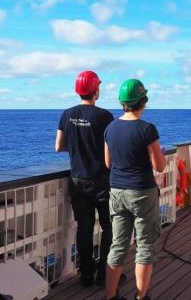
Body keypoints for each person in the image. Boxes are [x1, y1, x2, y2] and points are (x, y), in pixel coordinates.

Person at [103, 79, 166, 300]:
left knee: (118, 244)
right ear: (143, 101)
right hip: (141, 192)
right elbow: (159, 166)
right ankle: (140, 297)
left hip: (117, 192)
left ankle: (110, 296)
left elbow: (108, 163)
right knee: (145, 245)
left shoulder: (110, 128)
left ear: (123, 102)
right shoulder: (147, 129)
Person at [55, 70, 114, 287]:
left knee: (84, 228)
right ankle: (104, 273)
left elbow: (58, 146)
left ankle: (86, 273)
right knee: (109, 226)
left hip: (78, 180)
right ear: (96, 90)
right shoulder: (104, 116)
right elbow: (112, 149)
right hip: (102, 181)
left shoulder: (66, 114)